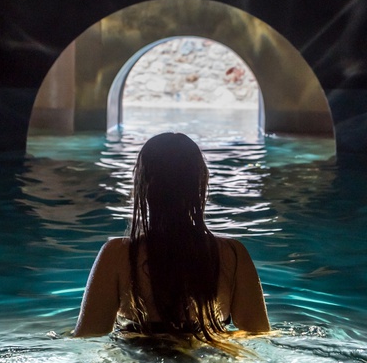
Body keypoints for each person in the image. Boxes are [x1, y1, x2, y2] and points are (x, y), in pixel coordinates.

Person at [73, 132, 270, 351]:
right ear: (200, 184)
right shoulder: (232, 255)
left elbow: (87, 338)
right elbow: (259, 337)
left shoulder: (117, 255)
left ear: (143, 186)